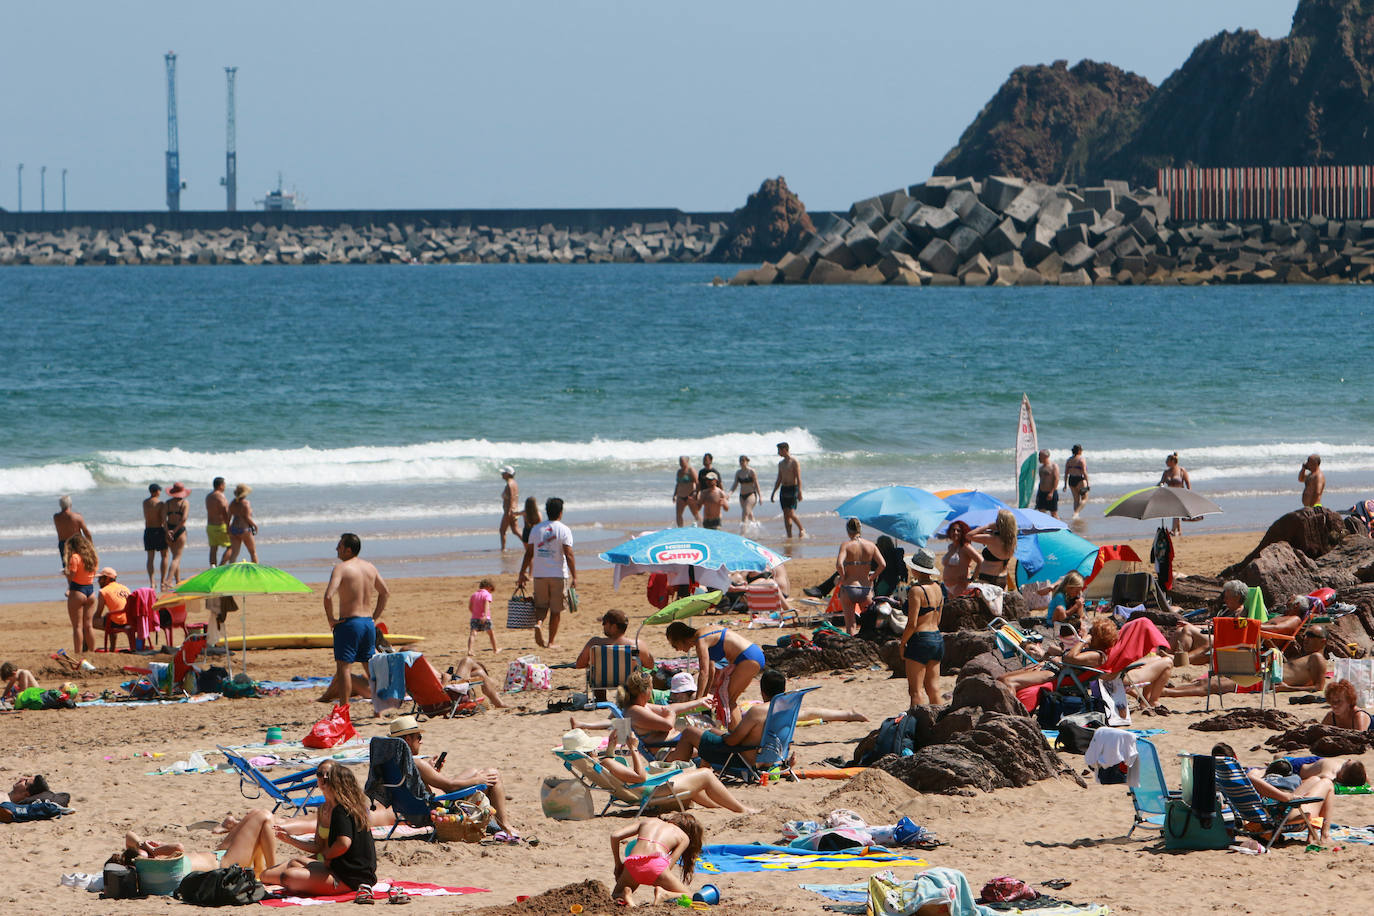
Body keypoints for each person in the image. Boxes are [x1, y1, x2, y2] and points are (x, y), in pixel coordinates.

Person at [386, 716, 519, 841]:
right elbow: (449, 786)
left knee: (472, 771)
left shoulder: (393, 762)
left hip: (408, 811)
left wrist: (431, 772)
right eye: (418, 737)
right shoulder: (416, 763)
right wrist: (478, 780)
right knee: (492, 774)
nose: (421, 741)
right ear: (408, 740)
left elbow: (415, 787)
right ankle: (506, 826)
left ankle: (497, 823)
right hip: (433, 812)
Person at [261, 763, 377, 897]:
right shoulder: (351, 808)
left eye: (329, 776)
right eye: (320, 775)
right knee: (294, 863)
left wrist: (327, 856)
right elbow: (321, 845)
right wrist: (290, 840)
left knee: (288, 876)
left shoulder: (341, 810)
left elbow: (343, 843)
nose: (324, 779)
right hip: (351, 872)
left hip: (348, 878)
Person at [120, 810, 278, 895]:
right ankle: (272, 873)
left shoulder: (150, 864)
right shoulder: (159, 864)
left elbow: (129, 835)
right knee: (264, 817)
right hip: (225, 864)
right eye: (141, 852)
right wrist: (155, 849)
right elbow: (179, 847)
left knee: (253, 814)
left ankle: (259, 868)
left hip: (218, 853)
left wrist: (142, 844)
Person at [1209, 742, 1335, 846]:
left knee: (1315, 780)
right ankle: (1324, 836)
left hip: (1260, 816)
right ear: (1235, 757)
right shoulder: (1247, 776)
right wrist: (1288, 796)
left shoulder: (1222, 779)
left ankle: (1317, 835)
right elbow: (1253, 779)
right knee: (1327, 783)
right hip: (1281, 818)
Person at [318, 533, 389, 703]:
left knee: (344, 669)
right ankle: (378, 709)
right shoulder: (370, 567)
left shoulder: (341, 568)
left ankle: (344, 710)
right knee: (369, 667)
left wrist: (331, 619)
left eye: (340, 546)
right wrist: (374, 617)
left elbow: (328, 596)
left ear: (348, 550)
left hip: (349, 623)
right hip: (367, 624)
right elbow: (385, 592)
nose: (337, 548)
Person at [1162, 627, 1330, 697]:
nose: (1306, 639)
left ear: (1323, 641)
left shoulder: (1318, 658)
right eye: (1306, 635)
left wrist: (1288, 689)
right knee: (1211, 681)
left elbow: (1317, 687)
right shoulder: (1307, 656)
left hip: (1264, 681)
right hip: (1261, 673)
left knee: (1214, 685)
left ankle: (1168, 693)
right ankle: (1174, 689)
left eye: (1312, 636)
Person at [665, 621, 764, 729]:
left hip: (747, 658)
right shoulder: (706, 635)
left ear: (679, 638)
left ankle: (736, 737)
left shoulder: (700, 639)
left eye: (674, 645)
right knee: (725, 698)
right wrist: (704, 696)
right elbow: (711, 672)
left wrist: (697, 701)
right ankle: (736, 735)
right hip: (752, 654)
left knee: (728, 700)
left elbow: (704, 672)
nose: (676, 649)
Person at [572, 670, 708, 747]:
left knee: (709, 736)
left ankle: (583, 724)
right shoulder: (635, 710)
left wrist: (699, 702)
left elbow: (670, 707)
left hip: (674, 743)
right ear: (645, 691)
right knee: (702, 738)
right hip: (667, 749)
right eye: (651, 687)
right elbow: (668, 723)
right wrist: (671, 713)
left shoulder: (642, 706)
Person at [609, 811, 703, 907]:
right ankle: (665, 894)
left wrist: (618, 864)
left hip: (632, 862)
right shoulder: (684, 837)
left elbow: (615, 836)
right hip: (656, 864)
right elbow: (668, 866)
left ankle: (625, 894)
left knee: (615, 896)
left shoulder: (649, 821)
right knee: (690, 896)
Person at [517, 497, 576, 649]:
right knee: (556, 610)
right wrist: (575, 576)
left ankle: (538, 624)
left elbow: (528, 553)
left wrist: (522, 573)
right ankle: (551, 642)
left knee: (541, 606)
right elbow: (569, 554)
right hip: (558, 575)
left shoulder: (536, 529)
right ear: (560, 513)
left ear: (547, 511)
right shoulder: (564, 529)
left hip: (539, 574)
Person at [901, 549, 945, 707]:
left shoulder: (916, 590)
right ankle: (940, 722)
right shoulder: (939, 588)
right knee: (933, 688)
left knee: (915, 691)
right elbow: (938, 619)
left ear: (915, 569)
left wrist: (902, 643)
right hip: (937, 638)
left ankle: (916, 727)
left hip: (920, 640)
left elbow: (912, 623)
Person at [575, 608, 656, 688]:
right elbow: (650, 665)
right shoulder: (637, 645)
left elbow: (579, 664)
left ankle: (600, 699)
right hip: (630, 684)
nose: (603, 625)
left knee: (596, 673)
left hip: (601, 683)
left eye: (604, 622)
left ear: (613, 626)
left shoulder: (594, 643)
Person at [835, 518, 884, 635]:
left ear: (848, 530)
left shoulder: (846, 546)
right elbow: (883, 564)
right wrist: (873, 577)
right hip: (866, 588)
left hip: (849, 587)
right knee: (869, 623)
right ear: (860, 530)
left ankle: (852, 649)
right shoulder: (871, 545)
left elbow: (839, 564)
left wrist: (843, 577)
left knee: (850, 625)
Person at [62, 534, 98, 656]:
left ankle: (78, 653)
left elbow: (72, 575)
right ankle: (92, 652)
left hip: (77, 590)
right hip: (91, 591)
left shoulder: (75, 557)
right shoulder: (93, 557)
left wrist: (66, 574)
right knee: (88, 626)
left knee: (77, 626)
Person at [969, 509, 1018, 588]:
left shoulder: (992, 539)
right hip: (1003, 577)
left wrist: (987, 526)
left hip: (987, 576)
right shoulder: (1012, 540)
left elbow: (969, 535)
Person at [770, 442, 806, 538]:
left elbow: (798, 478)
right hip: (783, 489)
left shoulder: (794, 462)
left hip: (792, 489)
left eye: (779, 450)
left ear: (785, 449)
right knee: (785, 514)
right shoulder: (780, 464)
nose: (778, 453)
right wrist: (773, 492)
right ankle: (789, 535)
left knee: (790, 513)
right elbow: (779, 479)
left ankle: (801, 528)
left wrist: (800, 491)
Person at [94, 566, 133, 650]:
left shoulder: (103, 591)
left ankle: (86, 650)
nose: (98, 581)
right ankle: (112, 648)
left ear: (107, 579)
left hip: (118, 621)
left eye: (100, 578)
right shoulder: (125, 588)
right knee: (109, 617)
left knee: (87, 624)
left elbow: (98, 613)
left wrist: (91, 619)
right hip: (130, 620)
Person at [940, 520, 980, 596]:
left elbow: (980, 561)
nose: (955, 532)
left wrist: (972, 578)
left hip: (960, 586)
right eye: (953, 530)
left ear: (963, 533)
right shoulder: (951, 547)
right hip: (947, 586)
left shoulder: (965, 547)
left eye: (958, 531)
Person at [164, 481, 191, 586]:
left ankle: (178, 580)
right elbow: (184, 518)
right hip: (179, 531)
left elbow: (163, 518)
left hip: (168, 529)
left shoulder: (168, 503)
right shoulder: (185, 503)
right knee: (177, 558)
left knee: (174, 556)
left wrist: (167, 531)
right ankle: (168, 580)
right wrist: (175, 531)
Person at [53, 495, 92, 564]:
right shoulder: (77, 517)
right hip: (76, 543)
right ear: (70, 504)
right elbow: (86, 532)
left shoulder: (56, 517)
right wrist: (90, 544)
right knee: (79, 565)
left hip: (63, 544)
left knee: (68, 567)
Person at [142, 484, 168, 589]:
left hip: (148, 530)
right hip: (158, 530)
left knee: (150, 558)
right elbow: (163, 520)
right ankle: (162, 581)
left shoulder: (145, 502)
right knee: (164, 556)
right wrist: (167, 531)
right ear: (157, 491)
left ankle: (152, 582)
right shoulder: (160, 503)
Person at [1159, 452, 1191, 535]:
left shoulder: (1181, 470)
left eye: (1167, 461)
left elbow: (1187, 483)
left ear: (1173, 461)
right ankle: (1179, 531)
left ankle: (1173, 530)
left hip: (1180, 494)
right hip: (1170, 495)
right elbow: (1161, 482)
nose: (1166, 462)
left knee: (1176, 512)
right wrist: (1155, 489)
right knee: (1175, 513)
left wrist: (1189, 494)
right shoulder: (1166, 472)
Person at [226, 484, 259, 563]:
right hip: (244, 530)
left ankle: (231, 571)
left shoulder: (232, 503)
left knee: (234, 554)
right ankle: (256, 572)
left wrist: (228, 528)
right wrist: (255, 526)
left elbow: (228, 517)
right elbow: (247, 517)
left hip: (233, 529)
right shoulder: (246, 503)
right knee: (253, 552)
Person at [467, 577, 499, 654]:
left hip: (474, 617)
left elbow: (470, 607)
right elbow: (486, 605)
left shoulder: (474, 595)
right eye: (491, 590)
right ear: (489, 587)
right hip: (485, 618)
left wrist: (474, 613)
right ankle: (495, 649)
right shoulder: (487, 594)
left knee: (473, 633)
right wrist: (484, 615)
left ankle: (470, 650)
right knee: (491, 634)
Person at [205, 477, 232, 566]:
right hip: (221, 525)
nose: (224, 487)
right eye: (224, 485)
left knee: (213, 549)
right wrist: (228, 525)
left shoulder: (208, 496)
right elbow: (225, 510)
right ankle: (221, 566)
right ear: (220, 485)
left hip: (210, 526)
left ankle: (213, 568)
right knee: (231, 547)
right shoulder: (220, 496)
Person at [730, 455, 761, 528]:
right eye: (740, 461)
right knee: (749, 514)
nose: (742, 463)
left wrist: (760, 496)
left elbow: (756, 484)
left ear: (747, 462)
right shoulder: (738, 472)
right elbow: (735, 484)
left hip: (751, 495)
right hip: (742, 496)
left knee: (745, 513)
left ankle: (743, 534)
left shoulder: (751, 471)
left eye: (743, 461)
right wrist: (729, 494)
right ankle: (755, 529)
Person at [672, 456, 699, 527]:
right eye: (680, 462)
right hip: (680, 496)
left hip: (690, 495)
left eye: (682, 462)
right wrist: (675, 495)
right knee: (678, 515)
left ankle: (702, 527)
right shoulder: (679, 472)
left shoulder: (691, 470)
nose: (681, 463)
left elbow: (697, 483)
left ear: (687, 462)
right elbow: (678, 484)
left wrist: (695, 493)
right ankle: (680, 529)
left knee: (696, 514)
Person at [1064, 445, 1090, 518]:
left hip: (1071, 480)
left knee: (1076, 500)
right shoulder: (1081, 460)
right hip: (1080, 480)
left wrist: (1065, 485)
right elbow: (1084, 472)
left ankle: (1076, 516)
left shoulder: (1069, 460)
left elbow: (1066, 473)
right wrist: (1088, 483)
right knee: (1084, 498)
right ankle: (1076, 513)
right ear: (1079, 451)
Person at [498, 465, 520, 550]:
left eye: (503, 473)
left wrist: (509, 511)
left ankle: (503, 549)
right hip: (514, 509)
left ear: (507, 474)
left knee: (502, 530)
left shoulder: (509, 484)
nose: (502, 474)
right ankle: (528, 543)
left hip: (509, 510)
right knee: (515, 530)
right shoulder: (513, 483)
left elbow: (511, 497)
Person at [1035, 450, 1060, 518]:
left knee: (1053, 513)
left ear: (1046, 456)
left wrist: (1051, 492)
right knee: (1041, 513)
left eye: (1040, 456)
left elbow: (1056, 479)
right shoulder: (1041, 468)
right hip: (1042, 493)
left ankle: (1059, 527)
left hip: (1051, 492)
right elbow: (1041, 481)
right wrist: (1038, 493)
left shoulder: (1053, 466)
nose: (1039, 458)